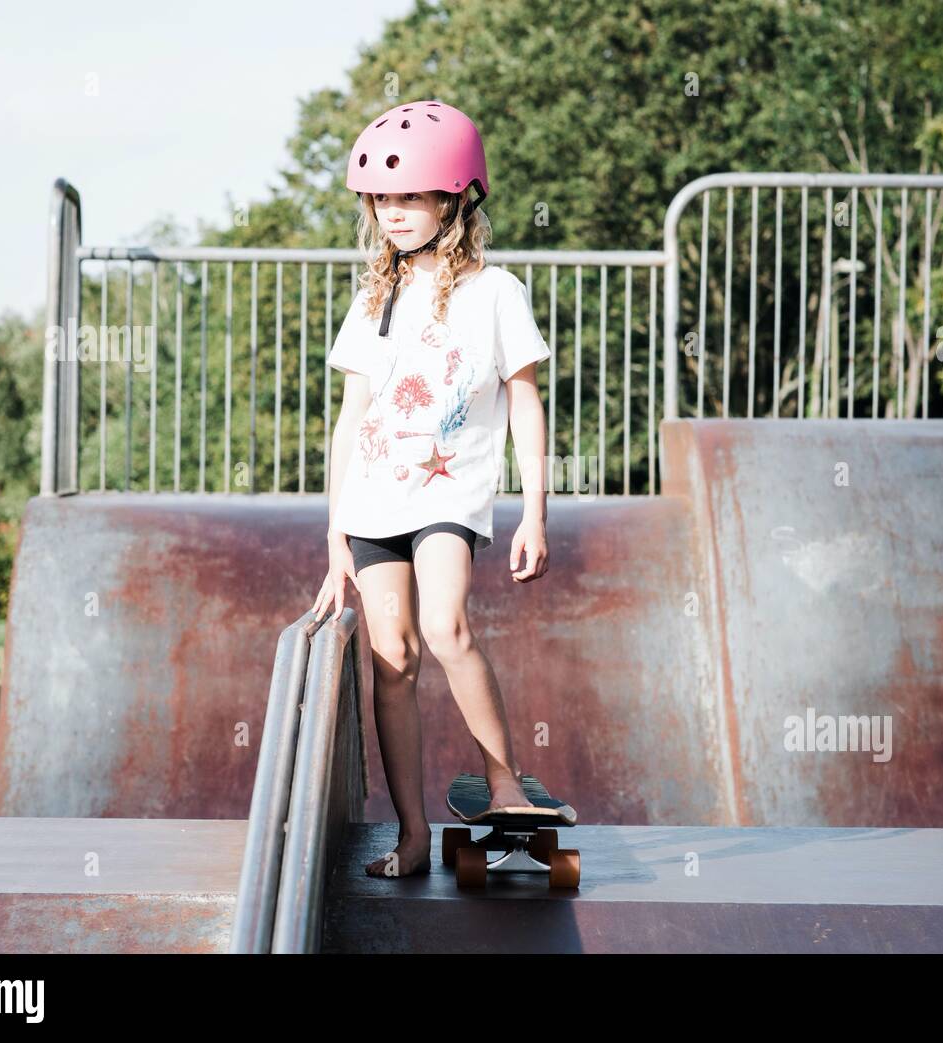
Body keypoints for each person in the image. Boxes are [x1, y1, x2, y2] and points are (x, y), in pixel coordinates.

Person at [312, 100, 552, 878]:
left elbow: (524, 399)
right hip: (373, 504)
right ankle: (412, 833)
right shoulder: (373, 300)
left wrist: (535, 512)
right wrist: (334, 536)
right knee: (393, 659)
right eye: (382, 200)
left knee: (446, 628)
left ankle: (506, 783)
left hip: (450, 498)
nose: (394, 214)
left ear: (455, 198)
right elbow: (350, 423)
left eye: (410, 198)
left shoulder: (496, 293)